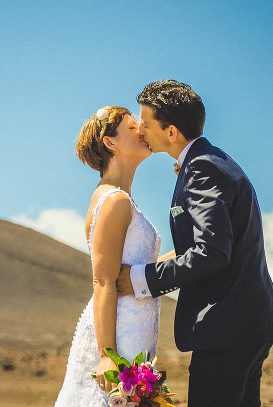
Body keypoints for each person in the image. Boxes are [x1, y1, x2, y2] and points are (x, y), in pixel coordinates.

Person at [116, 80, 273, 406]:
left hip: (228, 328)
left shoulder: (202, 168)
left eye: (147, 123)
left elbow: (211, 252)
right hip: (245, 327)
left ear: (171, 132)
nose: (140, 129)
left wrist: (139, 281)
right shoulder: (209, 160)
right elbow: (202, 248)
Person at [55, 106, 164, 406]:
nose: (141, 130)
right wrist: (106, 356)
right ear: (110, 142)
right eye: (131, 127)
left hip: (134, 331)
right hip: (118, 335)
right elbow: (102, 281)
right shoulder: (114, 200)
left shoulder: (120, 198)